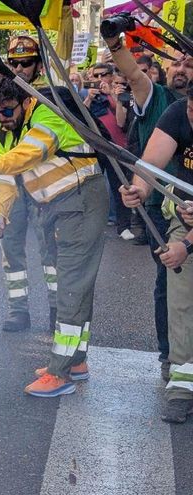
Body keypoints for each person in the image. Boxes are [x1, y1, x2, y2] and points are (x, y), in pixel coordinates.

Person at [0, 76, 108, 398]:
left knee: (72, 287)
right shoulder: (9, 130)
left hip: (81, 201)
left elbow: (33, 152)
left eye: (8, 110)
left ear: (25, 102)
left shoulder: (48, 116)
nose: (3, 117)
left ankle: (59, 373)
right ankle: (76, 361)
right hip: (56, 208)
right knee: (73, 285)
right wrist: (2, 212)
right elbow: (6, 178)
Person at [103, 24, 193, 381]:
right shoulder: (160, 100)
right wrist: (138, 188)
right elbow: (150, 164)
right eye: (177, 63)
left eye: (188, 63)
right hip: (167, 205)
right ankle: (172, 357)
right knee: (170, 283)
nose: (180, 69)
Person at [120, 81, 193, 423]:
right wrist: (137, 189)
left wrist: (187, 245)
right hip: (183, 216)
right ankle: (182, 387)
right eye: (192, 110)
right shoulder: (178, 111)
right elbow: (149, 164)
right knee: (181, 304)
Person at [0, 36, 56, 333]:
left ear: (38, 64)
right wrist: (0, 211)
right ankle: (19, 310)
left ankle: (57, 309)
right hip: (15, 189)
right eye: (13, 63)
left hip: (45, 189)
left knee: (51, 253)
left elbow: (33, 151)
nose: (20, 68)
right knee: (11, 250)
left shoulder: (50, 98)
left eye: (26, 62)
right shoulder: (2, 101)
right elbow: (2, 171)